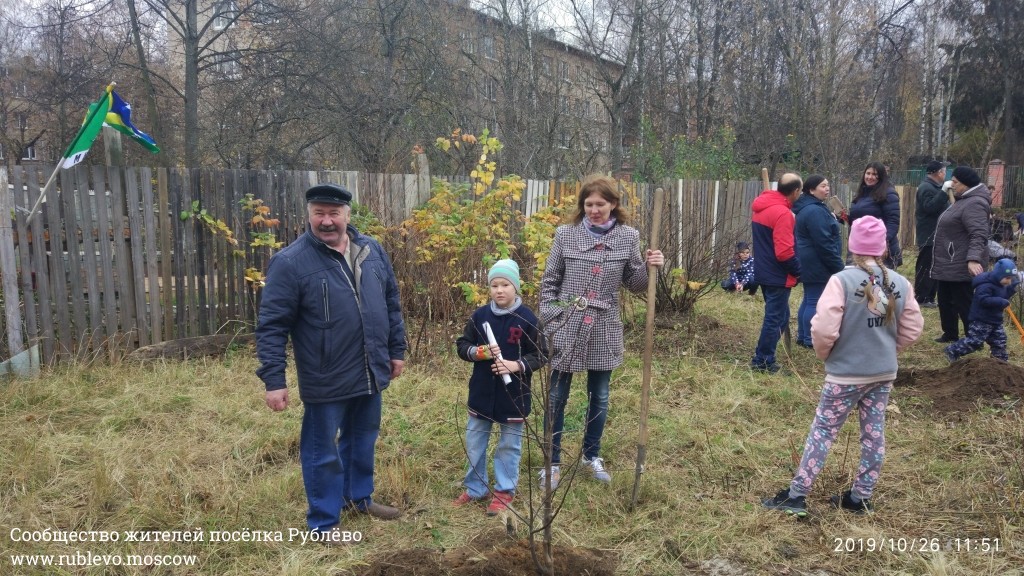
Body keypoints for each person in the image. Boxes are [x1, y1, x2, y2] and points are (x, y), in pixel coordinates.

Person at [255, 183, 407, 536]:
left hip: (370, 367)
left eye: (333, 213)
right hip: (325, 373)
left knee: (363, 437)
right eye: (318, 213)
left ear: (347, 215)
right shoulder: (290, 263)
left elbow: (391, 303)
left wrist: (396, 351)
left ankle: (358, 497)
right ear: (308, 215)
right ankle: (324, 523)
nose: (326, 221)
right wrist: (274, 380)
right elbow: (272, 326)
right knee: (322, 450)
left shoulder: (371, 250)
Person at [762, 216, 924, 517]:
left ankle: (796, 496)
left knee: (823, 431)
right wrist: (889, 349)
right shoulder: (900, 283)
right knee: (874, 433)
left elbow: (824, 329)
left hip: (845, 374)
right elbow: (913, 328)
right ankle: (860, 497)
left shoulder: (841, 281)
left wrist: (827, 355)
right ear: (884, 249)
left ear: (852, 247)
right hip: (883, 373)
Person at [539, 174, 664, 489]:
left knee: (601, 395)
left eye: (601, 204)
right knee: (556, 395)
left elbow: (635, 284)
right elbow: (550, 281)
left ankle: (591, 456)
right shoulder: (566, 235)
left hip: (604, 326)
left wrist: (651, 266)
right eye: (589, 204)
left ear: (613, 205)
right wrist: (552, 316)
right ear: (582, 206)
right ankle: (551, 462)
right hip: (566, 324)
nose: (594, 209)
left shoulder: (627, 236)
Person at [453, 259, 544, 515]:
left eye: (505, 284)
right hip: (481, 394)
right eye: (494, 285)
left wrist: (516, 366)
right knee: (474, 442)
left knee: (509, 445)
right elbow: (462, 345)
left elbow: (541, 354)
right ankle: (475, 487)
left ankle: (504, 490)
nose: (499, 290)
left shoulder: (527, 319)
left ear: (516, 287)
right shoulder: (480, 316)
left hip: (513, 396)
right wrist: (477, 352)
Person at [931, 166, 992, 343]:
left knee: (964, 302)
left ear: (966, 184)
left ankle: (973, 337)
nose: (952, 184)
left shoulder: (975, 203)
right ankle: (950, 333)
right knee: (945, 299)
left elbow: (979, 234)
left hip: (961, 261)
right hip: (948, 261)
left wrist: (973, 259)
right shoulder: (963, 200)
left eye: (955, 182)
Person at [750, 173, 803, 373]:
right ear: (796, 191)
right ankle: (763, 361)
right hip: (778, 275)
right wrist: (798, 272)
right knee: (774, 319)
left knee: (780, 317)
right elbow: (784, 252)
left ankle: (765, 356)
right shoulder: (782, 214)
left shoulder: (761, 208)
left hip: (764, 271)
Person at [793, 175, 844, 348]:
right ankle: (809, 339)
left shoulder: (812, 207)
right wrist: (837, 266)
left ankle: (802, 336)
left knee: (809, 298)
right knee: (814, 300)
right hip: (816, 261)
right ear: (811, 190)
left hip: (808, 260)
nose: (827, 189)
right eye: (823, 186)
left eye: (828, 185)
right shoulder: (814, 211)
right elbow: (824, 242)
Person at [945, 258, 1018, 363]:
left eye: (1011, 279)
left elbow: (1003, 296)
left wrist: (1011, 289)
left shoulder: (1002, 284)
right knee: (975, 341)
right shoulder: (985, 285)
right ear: (999, 274)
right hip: (981, 319)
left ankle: (1000, 361)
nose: (1009, 281)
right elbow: (983, 300)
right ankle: (953, 350)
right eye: (1007, 278)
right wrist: (1001, 302)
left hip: (995, 320)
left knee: (999, 341)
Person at [846, 162, 901, 268]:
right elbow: (858, 221)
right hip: (860, 247)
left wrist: (884, 242)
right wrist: (844, 217)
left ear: (881, 176)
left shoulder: (888, 193)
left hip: (879, 249)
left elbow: (893, 222)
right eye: (868, 173)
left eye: (875, 174)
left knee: (879, 282)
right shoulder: (861, 193)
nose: (870, 177)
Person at [914, 161, 950, 307]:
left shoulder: (934, 187)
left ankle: (929, 297)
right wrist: (943, 192)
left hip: (937, 234)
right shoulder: (926, 187)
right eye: (944, 171)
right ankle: (921, 297)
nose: (945, 174)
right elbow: (929, 207)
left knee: (934, 266)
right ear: (938, 172)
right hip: (929, 234)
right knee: (926, 266)